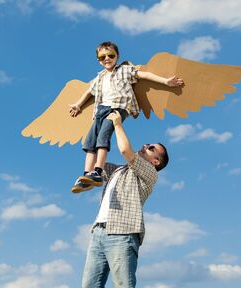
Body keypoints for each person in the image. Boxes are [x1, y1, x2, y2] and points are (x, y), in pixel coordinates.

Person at [69, 41, 182, 193]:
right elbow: (89, 92)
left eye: (110, 55)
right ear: (98, 60)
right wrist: (78, 105)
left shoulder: (124, 70)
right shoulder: (100, 77)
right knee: (90, 143)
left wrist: (165, 81)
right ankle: (86, 175)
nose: (107, 59)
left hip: (117, 108)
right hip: (100, 110)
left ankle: (98, 171)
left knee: (103, 137)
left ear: (117, 56)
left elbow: (144, 75)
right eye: (102, 57)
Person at [81, 110, 169, 288]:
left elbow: (125, 151)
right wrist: (99, 125)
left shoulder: (150, 173)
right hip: (99, 233)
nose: (146, 145)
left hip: (123, 233)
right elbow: (98, 158)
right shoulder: (119, 170)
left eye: (151, 147)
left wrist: (118, 124)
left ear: (155, 161)